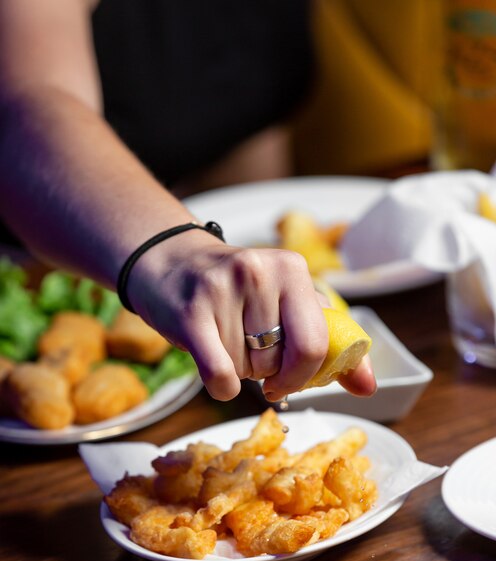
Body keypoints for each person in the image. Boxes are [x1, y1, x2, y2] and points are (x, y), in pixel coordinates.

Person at [0, 0, 375, 403]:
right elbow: (29, 103)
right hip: (41, 269)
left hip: (184, 336)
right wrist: (176, 255)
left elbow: (244, 118)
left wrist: (257, 289)